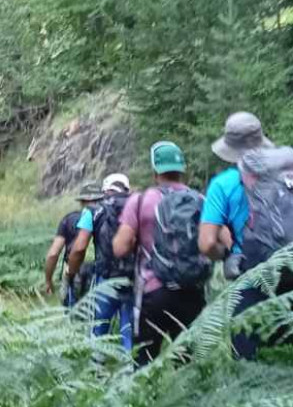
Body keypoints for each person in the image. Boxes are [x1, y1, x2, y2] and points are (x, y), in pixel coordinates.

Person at [197, 112, 293, 359]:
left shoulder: (224, 184)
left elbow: (206, 242)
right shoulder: (292, 177)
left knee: (248, 367)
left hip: (251, 280)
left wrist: (225, 257)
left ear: (232, 149)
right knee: (281, 361)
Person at [113, 142, 211, 365]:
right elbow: (221, 241)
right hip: (192, 293)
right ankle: (187, 397)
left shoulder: (139, 201)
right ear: (182, 169)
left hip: (152, 293)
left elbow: (120, 247)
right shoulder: (201, 200)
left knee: (145, 362)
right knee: (188, 363)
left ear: (155, 170)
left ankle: (147, 399)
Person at [64, 174, 135, 351]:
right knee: (129, 327)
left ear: (104, 191)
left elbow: (79, 248)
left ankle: (96, 370)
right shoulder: (139, 207)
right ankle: (132, 370)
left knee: (99, 326)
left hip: (105, 278)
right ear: (127, 189)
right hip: (133, 278)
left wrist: (71, 273)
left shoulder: (94, 211)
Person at [44, 182, 102, 306]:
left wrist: (48, 280)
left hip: (72, 271)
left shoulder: (69, 219)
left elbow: (53, 254)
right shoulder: (110, 217)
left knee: (71, 317)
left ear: (81, 202)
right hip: (100, 273)